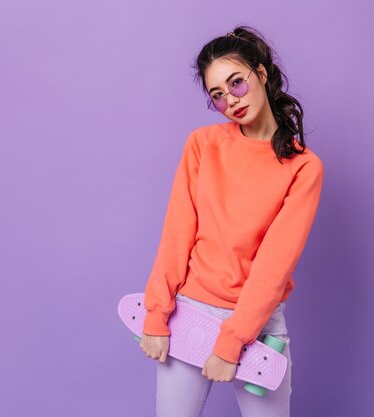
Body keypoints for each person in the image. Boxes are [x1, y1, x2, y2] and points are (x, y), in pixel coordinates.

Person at [138, 25, 324, 417]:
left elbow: (274, 266)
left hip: (256, 329)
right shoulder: (203, 145)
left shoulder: (303, 167)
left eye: (237, 83)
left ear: (261, 73)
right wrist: (157, 313)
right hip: (188, 314)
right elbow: (177, 233)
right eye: (217, 95)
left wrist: (232, 342)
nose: (231, 101)